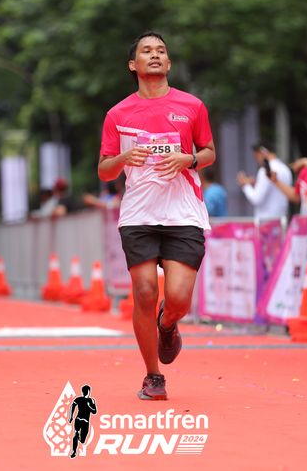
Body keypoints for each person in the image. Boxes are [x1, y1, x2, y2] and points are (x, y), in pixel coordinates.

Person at [98, 31, 216, 401]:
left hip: (183, 213)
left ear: (168, 63)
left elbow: (209, 152)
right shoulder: (118, 114)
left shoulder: (191, 106)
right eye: (147, 51)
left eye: (161, 51)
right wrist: (122, 159)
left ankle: (168, 323)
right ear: (132, 65)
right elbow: (104, 170)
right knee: (145, 291)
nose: (155, 55)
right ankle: (153, 375)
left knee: (178, 299)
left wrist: (188, 159)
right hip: (139, 213)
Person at [237, 144, 292, 219]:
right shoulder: (285, 169)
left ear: (263, 153)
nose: (257, 160)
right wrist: (255, 183)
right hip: (282, 219)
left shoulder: (264, 171)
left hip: (265, 221)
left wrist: (245, 185)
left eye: (256, 156)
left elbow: (256, 198)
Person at [67, 384, 97, 459]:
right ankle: (74, 450)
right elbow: (94, 411)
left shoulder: (89, 400)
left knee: (81, 439)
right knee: (78, 435)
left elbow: (94, 411)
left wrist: (71, 416)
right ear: (88, 391)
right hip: (82, 420)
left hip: (81, 420)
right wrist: (71, 416)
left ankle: (76, 442)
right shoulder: (84, 399)